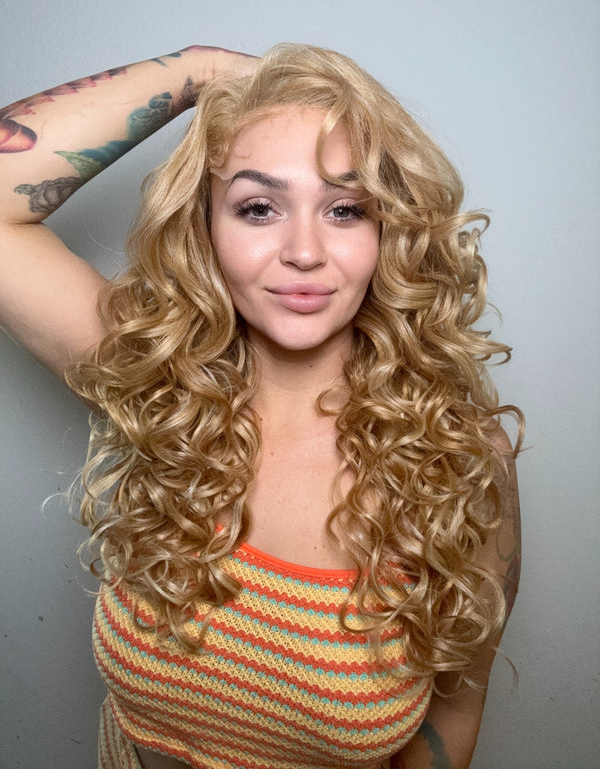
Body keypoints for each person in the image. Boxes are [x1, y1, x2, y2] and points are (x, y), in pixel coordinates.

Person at [0, 43, 522, 769]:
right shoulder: (161, 385)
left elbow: (457, 710)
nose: (304, 251)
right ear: (205, 229)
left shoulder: (456, 461)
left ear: (389, 231)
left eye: (346, 209)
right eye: (257, 207)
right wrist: (203, 70)